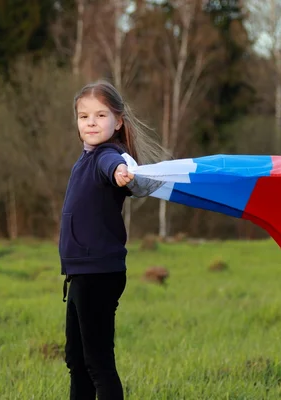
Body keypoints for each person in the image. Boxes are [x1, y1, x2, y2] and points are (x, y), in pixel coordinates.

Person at [59, 80, 168, 400]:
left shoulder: (109, 155)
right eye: (83, 116)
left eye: (100, 115)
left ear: (118, 121)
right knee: (76, 361)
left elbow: (114, 166)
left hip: (98, 274)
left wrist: (121, 170)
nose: (91, 122)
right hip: (81, 274)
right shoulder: (85, 159)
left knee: (97, 363)